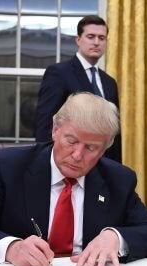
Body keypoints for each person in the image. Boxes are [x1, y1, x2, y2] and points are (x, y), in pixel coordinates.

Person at [0, 92, 147, 266]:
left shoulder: (119, 179)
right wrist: (12, 248)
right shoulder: (9, 167)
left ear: (105, 148)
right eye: (71, 141)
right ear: (55, 130)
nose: (77, 155)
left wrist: (116, 237)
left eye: (91, 148)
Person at [35, 15, 121, 162]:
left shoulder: (109, 82)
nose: (96, 42)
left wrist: (116, 167)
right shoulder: (59, 73)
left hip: (103, 164)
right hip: (71, 160)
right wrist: (46, 163)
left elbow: (114, 133)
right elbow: (46, 124)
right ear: (78, 40)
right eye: (90, 36)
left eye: (101, 38)